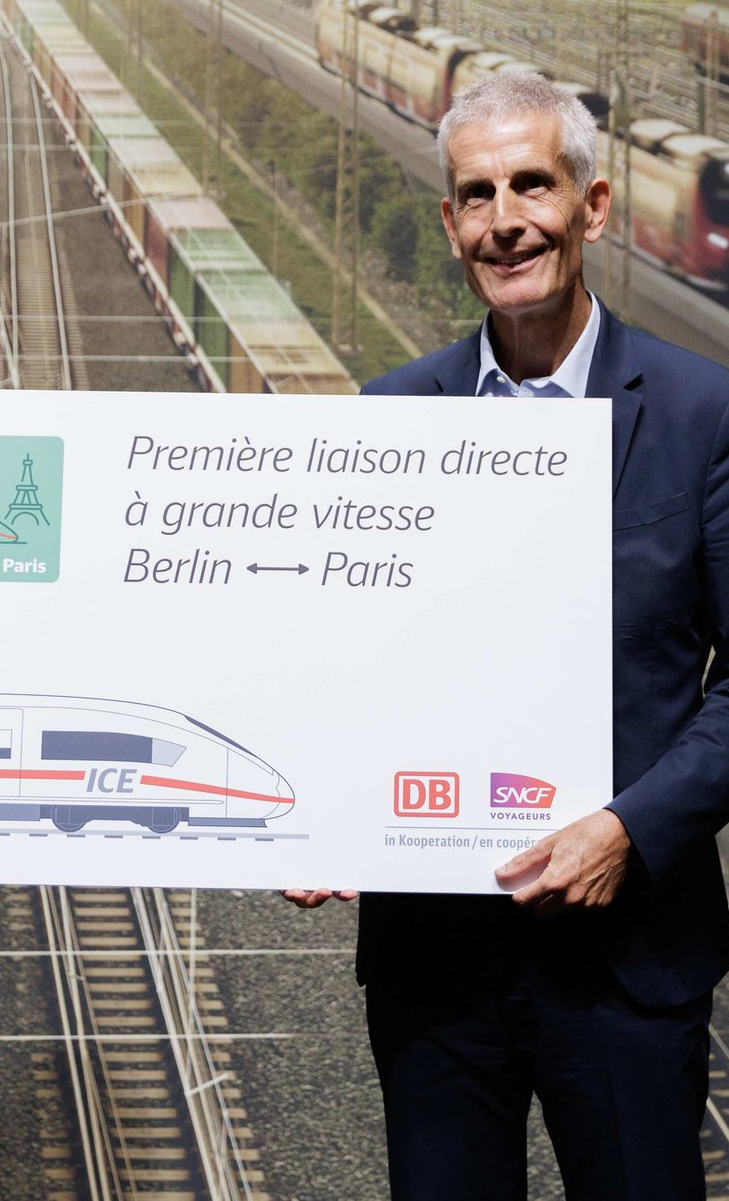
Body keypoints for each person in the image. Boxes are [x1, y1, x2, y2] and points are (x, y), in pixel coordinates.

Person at [284, 74, 729, 1200]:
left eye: (533, 184)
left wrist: (628, 829)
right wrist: (318, 807)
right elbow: (346, 660)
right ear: (450, 224)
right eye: (477, 195)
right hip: (437, 970)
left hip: (626, 961)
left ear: (593, 204)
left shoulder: (701, 413)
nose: (506, 220)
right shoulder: (388, 417)